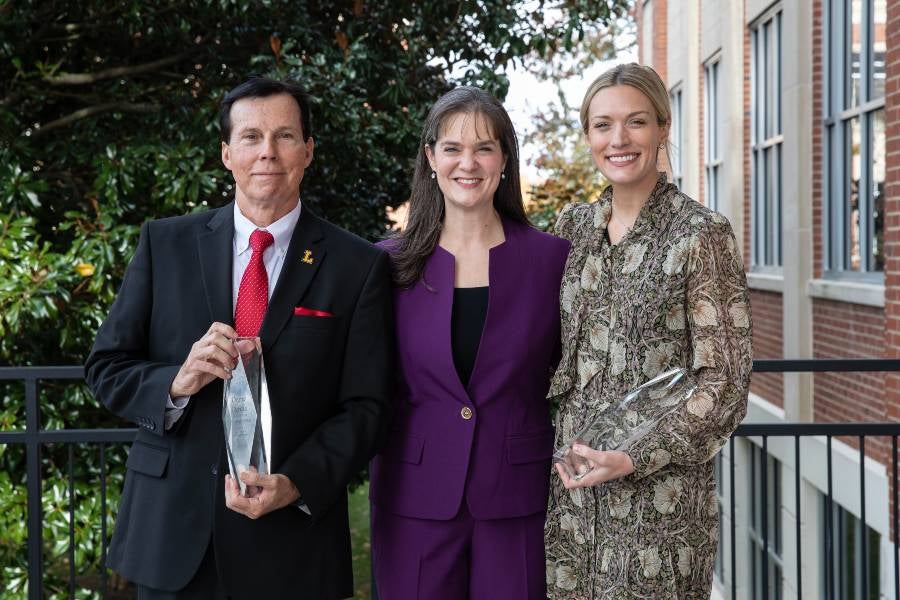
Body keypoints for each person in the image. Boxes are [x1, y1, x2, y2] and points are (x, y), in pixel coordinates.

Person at [84, 77, 394, 599]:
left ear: (308, 151)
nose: (267, 153)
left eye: (285, 136)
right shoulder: (165, 244)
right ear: (227, 153)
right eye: (250, 137)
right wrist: (176, 384)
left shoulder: (357, 265)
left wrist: (296, 482)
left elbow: (368, 406)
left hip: (293, 545)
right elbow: (106, 367)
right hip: (172, 538)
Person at [543, 63, 753, 598]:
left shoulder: (701, 234)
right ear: (588, 135)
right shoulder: (570, 231)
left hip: (659, 510)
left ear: (663, 127)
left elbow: (724, 381)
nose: (618, 139)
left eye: (635, 122)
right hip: (571, 503)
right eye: (602, 125)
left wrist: (637, 454)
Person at [368, 86, 570, 599]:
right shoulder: (386, 264)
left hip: (518, 497)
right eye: (453, 148)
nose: (469, 163)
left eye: (484, 147)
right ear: (431, 158)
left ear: (504, 159)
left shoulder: (553, 260)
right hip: (413, 496)